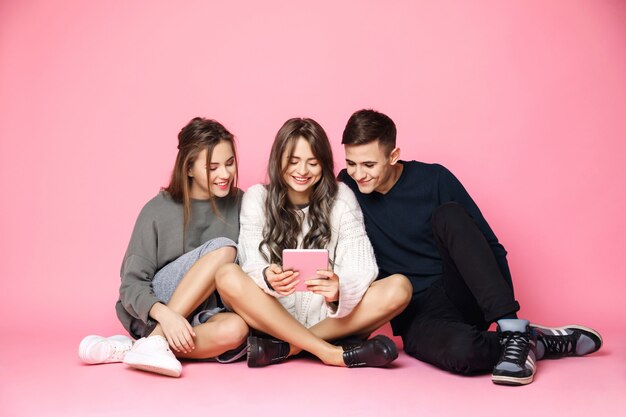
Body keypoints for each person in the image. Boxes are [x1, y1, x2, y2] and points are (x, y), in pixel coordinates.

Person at [338, 109, 603, 385]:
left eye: (368, 165)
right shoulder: (347, 186)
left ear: (393, 156)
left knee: (449, 214)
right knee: (463, 353)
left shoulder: (434, 179)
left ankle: (513, 332)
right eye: (351, 163)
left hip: (460, 292)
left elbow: (489, 245)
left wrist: (505, 316)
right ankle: (532, 342)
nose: (359, 174)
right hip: (416, 312)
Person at [215, 118, 413, 368]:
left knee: (400, 287)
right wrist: (266, 276)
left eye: (312, 162)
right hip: (272, 316)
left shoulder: (341, 196)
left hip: (330, 319)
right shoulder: (257, 197)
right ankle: (329, 352)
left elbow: (361, 266)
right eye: (293, 161)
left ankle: (288, 348)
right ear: (278, 160)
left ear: (324, 163)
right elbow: (250, 259)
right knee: (226, 274)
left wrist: (340, 289)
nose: (302, 171)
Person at [78, 117, 249, 377]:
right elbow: (131, 285)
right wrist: (166, 316)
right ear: (189, 168)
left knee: (237, 330)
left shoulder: (242, 203)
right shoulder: (157, 210)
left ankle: (136, 349)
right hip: (157, 311)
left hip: (204, 313)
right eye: (212, 167)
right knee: (226, 249)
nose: (224, 174)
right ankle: (155, 339)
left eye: (229, 163)